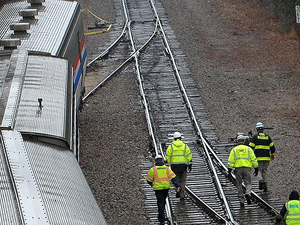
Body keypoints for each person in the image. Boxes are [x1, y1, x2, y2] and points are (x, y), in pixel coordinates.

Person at [146, 155, 180, 225]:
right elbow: (173, 178)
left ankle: (161, 218)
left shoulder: (153, 169)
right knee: (163, 201)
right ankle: (161, 216)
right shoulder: (167, 169)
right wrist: (177, 185)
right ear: (162, 160)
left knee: (160, 202)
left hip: (158, 189)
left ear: (155, 161)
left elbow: (148, 179)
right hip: (166, 188)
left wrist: (151, 184)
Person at [227, 135, 258, 207]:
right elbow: (253, 159)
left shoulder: (234, 150)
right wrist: (256, 168)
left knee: (239, 184)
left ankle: (241, 201)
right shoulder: (248, 149)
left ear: (237, 141)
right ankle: (248, 193)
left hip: (238, 169)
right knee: (248, 183)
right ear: (244, 141)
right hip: (247, 168)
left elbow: (231, 161)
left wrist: (229, 170)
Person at [249, 122, 275, 192]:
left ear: (257, 129)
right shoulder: (268, 137)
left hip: (258, 157)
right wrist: (272, 155)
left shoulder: (255, 137)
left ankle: (261, 180)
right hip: (267, 157)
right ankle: (265, 182)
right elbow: (272, 147)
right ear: (263, 129)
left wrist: (250, 156)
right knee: (264, 170)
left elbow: (250, 147)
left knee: (258, 170)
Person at [165, 131, 192, 200]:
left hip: (174, 166)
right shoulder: (185, 146)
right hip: (183, 166)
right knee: (183, 180)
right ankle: (182, 195)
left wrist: (169, 163)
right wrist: (189, 165)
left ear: (174, 139)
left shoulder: (171, 147)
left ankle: (177, 189)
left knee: (176, 179)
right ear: (180, 138)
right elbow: (189, 157)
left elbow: (167, 157)